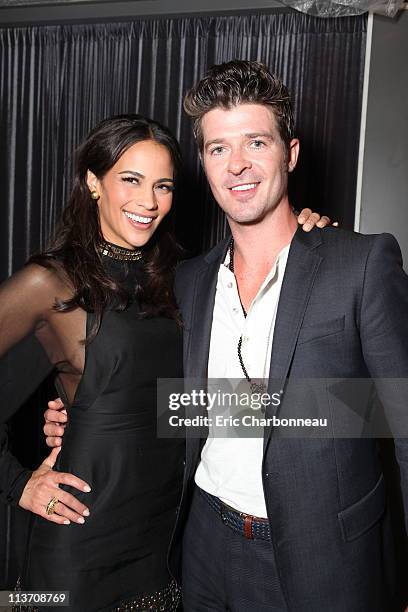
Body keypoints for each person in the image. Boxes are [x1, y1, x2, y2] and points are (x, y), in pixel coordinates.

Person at [45, 62, 408, 612]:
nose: (237, 164)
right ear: (204, 164)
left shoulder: (358, 263)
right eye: (217, 149)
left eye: (255, 142)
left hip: (325, 559)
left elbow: (399, 423)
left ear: (290, 152)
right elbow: (198, 408)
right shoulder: (185, 281)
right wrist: (87, 412)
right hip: (201, 548)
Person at [0, 111, 326, 610]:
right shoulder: (50, 282)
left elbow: (202, 400)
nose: (148, 202)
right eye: (130, 180)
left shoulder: (187, 276)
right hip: (81, 538)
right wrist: (17, 483)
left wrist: (308, 238)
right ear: (93, 182)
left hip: (171, 539)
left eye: (164, 185)